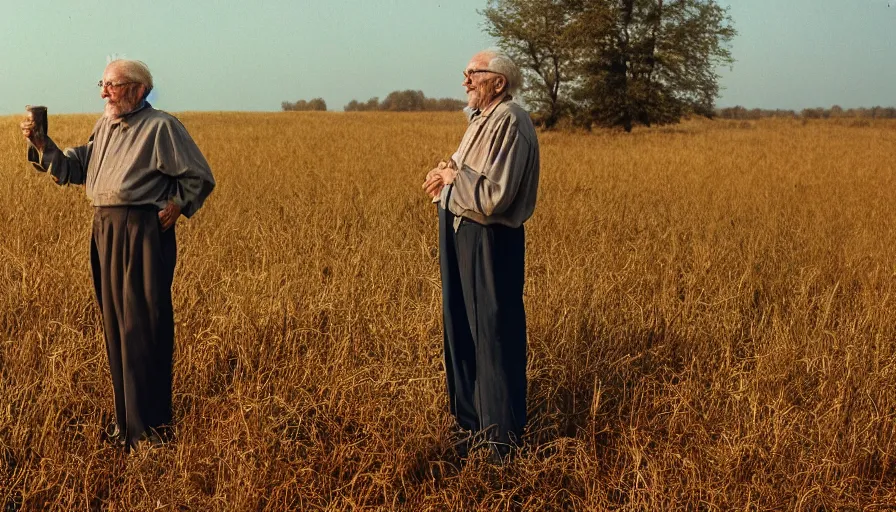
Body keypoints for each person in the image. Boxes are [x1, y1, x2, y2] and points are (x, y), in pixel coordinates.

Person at [20, 59, 215, 449]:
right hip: (104, 230)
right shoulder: (105, 125)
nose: (104, 92)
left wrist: (176, 205)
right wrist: (43, 145)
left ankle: (151, 433)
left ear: (139, 90)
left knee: (143, 328)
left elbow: (199, 176)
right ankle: (126, 427)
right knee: (116, 328)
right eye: (102, 84)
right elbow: (78, 168)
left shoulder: (162, 127)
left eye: (112, 85)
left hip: (142, 230)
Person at [422, 50, 540, 463]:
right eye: (465, 74)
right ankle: (471, 429)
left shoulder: (510, 120)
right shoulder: (481, 120)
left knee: (493, 335)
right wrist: (446, 172)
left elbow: (495, 195)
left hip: (490, 239)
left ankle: (500, 446)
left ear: (499, 82)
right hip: (461, 228)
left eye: (472, 73)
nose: (465, 82)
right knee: (462, 329)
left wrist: (454, 178)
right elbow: (460, 171)